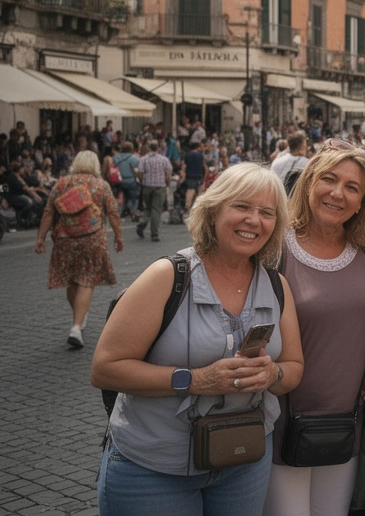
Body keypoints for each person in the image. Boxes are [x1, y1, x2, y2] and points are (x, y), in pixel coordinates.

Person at [91, 163, 304, 515]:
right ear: (213, 209)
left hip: (243, 462)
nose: (254, 220)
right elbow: (105, 369)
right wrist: (197, 380)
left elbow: (294, 367)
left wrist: (272, 375)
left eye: (266, 213)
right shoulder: (168, 275)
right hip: (152, 470)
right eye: (242, 207)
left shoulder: (276, 285)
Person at [264, 142, 365, 516]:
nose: (337, 193)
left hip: (345, 421)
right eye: (328, 180)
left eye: (352, 187)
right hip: (283, 419)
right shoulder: (274, 248)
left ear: (363, 201)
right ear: (309, 183)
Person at [35, 150, 124, 349]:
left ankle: (78, 317)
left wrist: (40, 238)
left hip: (65, 239)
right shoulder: (101, 185)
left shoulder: (61, 183)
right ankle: (76, 326)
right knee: (86, 280)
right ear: (95, 164)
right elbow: (112, 213)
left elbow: (49, 211)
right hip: (93, 239)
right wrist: (118, 237)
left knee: (71, 280)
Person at [135, 140, 174, 242]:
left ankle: (142, 224)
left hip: (147, 186)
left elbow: (140, 173)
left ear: (149, 147)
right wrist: (167, 183)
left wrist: (142, 181)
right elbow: (168, 174)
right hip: (159, 187)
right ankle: (154, 233)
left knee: (148, 208)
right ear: (158, 148)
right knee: (156, 209)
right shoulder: (164, 160)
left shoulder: (143, 159)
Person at [112, 142, 142, 218]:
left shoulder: (115, 157)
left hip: (119, 181)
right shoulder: (133, 158)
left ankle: (122, 210)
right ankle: (133, 211)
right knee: (133, 196)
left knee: (120, 195)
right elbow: (137, 169)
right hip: (130, 181)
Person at [183, 141, 207, 211]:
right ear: (197, 148)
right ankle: (198, 207)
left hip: (189, 175)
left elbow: (184, 166)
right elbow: (204, 167)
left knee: (190, 190)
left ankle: (187, 205)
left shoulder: (187, 155)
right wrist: (205, 176)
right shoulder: (200, 156)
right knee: (199, 191)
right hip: (199, 175)